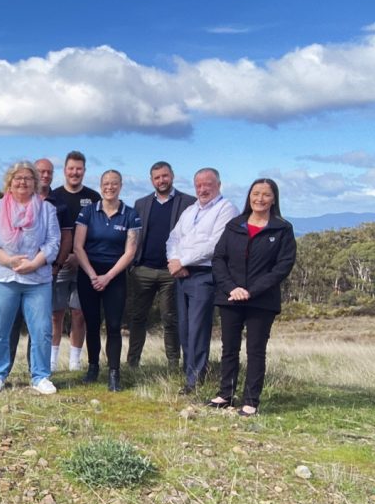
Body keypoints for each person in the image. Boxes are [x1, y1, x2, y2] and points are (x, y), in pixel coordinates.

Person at [210, 179, 297, 416]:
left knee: (255, 350)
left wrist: (253, 290)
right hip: (230, 297)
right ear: (249, 196)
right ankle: (225, 394)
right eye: (255, 194)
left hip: (262, 300)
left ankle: (251, 400)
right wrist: (232, 288)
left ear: (274, 199)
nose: (260, 199)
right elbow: (218, 259)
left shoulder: (282, 229)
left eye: (265, 195)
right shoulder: (234, 225)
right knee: (229, 348)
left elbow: (283, 266)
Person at [0, 161, 61, 395]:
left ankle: (41, 376)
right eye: (18, 178)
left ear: (36, 182)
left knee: (42, 329)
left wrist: (35, 263)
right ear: (10, 182)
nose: (22, 182)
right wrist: (9, 261)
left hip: (38, 280)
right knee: (0, 329)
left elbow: (53, 242)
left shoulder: (47, 209)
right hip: (3, 278)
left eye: (28, 178)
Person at [166, 168, 240, 395]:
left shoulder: (226, 209)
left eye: (207, 184)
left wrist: (183, 260)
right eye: (198, 185)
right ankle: (191, 373)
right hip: (182, 274)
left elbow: (215, 244)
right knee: (185, 327)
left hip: (204, 275)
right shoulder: (190, 211)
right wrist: (173, 261)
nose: (202, 189)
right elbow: (173, 238)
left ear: (218, 184)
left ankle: (195, 379)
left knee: (198, 327)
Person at [73, 170, 141, 391]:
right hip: (89, 273)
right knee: (91, 323)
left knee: (113, 325)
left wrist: (108, 277)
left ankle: (114, 373)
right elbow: (77, 246)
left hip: (115, 275)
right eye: (105, 183)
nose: (109, 187)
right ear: (100, 185)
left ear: (121, 186)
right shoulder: (88, 211)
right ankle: (93, 368)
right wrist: (93, 275)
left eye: (114, 183)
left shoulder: (130, 214)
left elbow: (130, 252)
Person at [126, 161, 196, 369]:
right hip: (143, 269)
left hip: (171, 271)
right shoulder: (141, 203)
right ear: (151, 180)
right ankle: (132, 364)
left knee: (170, 319)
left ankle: (173, 364)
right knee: (137, 318)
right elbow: (134, 235)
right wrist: (133, 266)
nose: (161, 180)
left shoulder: (188, 202)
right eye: (157, 177)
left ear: (172, 176)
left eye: (165, 176)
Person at [8, 157, 71, 371]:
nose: (45, 175)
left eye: (49, 172)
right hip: (14, 273)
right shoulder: (14, 200)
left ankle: (34, 369)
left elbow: (63, 238)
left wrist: (56, 265)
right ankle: (3, 370)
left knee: (39, 325)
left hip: (44, 272)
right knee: (11, 323)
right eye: (41, 172)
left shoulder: (59, 202)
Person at [50, 151, 96, 371]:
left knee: (79, 313)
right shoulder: (54, 196)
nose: (75, 172)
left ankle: (75, 361)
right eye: (71, 168)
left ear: (84, 171)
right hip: (58, 264)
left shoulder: (94, 197)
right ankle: (52, 360)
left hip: (84, 265)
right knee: (55, 313)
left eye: (79, 169)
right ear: (65, 170)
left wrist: (79, 256)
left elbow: (97, 232)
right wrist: (62, 256)